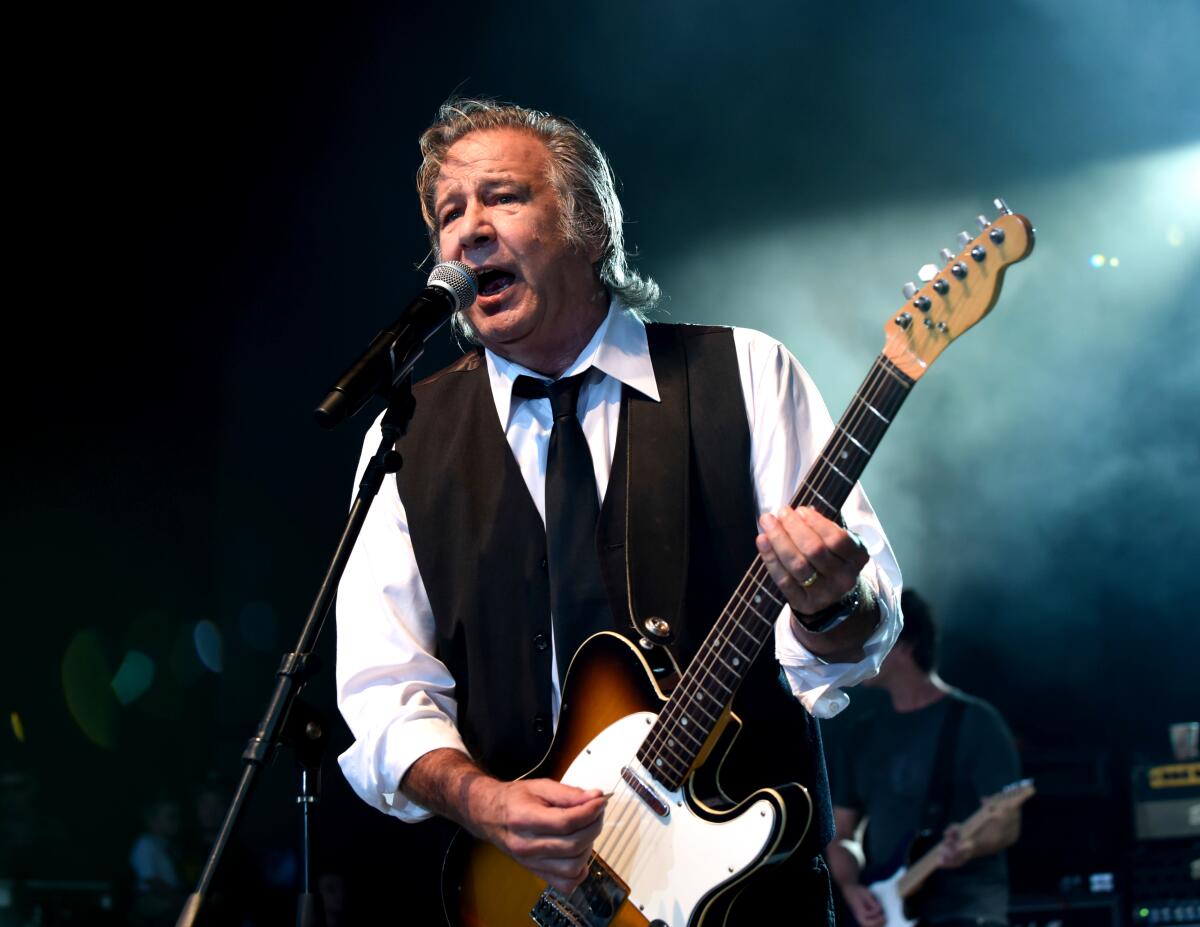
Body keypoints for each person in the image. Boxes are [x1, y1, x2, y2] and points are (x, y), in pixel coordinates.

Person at [334, 97, 903, 923]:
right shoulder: (409, 432)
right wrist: (483, 800)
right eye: (449, 213)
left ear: (591, 223)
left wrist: (831, 601)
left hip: (743, 894)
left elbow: (849, 646)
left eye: (501, 196)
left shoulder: (742, 373)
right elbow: (382, 688)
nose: (467, 231)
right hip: (532, 896)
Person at [826, 588, 1023, 927]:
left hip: (965, 912)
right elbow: (842, 833)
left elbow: (1006, 823)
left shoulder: (975, 722)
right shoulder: (862, 734)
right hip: (887, 912)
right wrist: (851, 887)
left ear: (903, 643)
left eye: (869, 639)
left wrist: (969, 847)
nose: (857, 652)